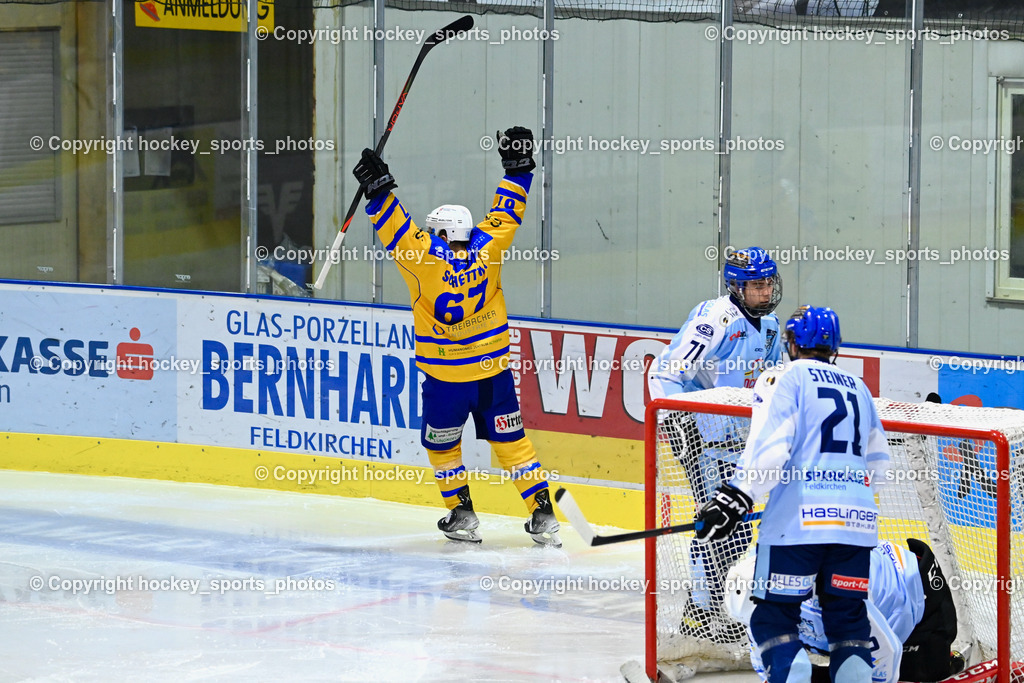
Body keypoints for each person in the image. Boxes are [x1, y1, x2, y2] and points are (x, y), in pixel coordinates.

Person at [351, 126, 560, 547]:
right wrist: (517, 167)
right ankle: (543, 514)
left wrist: (378, 188)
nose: (427, 234)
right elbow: (507, 212)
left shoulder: (424, 259)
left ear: (442, 234)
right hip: (493, 373)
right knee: (513, 442)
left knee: (443, 448)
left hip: (447, 381)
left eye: (433, 229)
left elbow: (398, 229)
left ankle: (461, 513)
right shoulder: (488, 247)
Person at [694, 305, 892, 682]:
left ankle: (793, 671)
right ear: (834, 346)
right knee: (849, 628)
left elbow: (771, 448)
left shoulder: (782, 377)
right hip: (856, 526)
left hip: (798, 526)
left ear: (791, 342)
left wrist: (736, 496)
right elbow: (879, 465)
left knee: (774, 620)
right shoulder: (860, 387)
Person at [647, 246, 783, 641]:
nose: (766, 291)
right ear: (736, 287)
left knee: (739, 527)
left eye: (769, 282)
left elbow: (772, 383)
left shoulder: (771, 325)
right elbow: (667, 373)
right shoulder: (714, 319)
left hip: (740, 439)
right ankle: (699, 612)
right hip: (702, 435)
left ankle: (724, 609)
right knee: (720, 521)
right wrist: (678, 424)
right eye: (757, 285)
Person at [725, 538, 966, 683]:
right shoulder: (754, 584)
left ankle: (942, 659)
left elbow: (887, 652)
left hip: (918, 597)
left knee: (920, 673)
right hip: (855, 602)